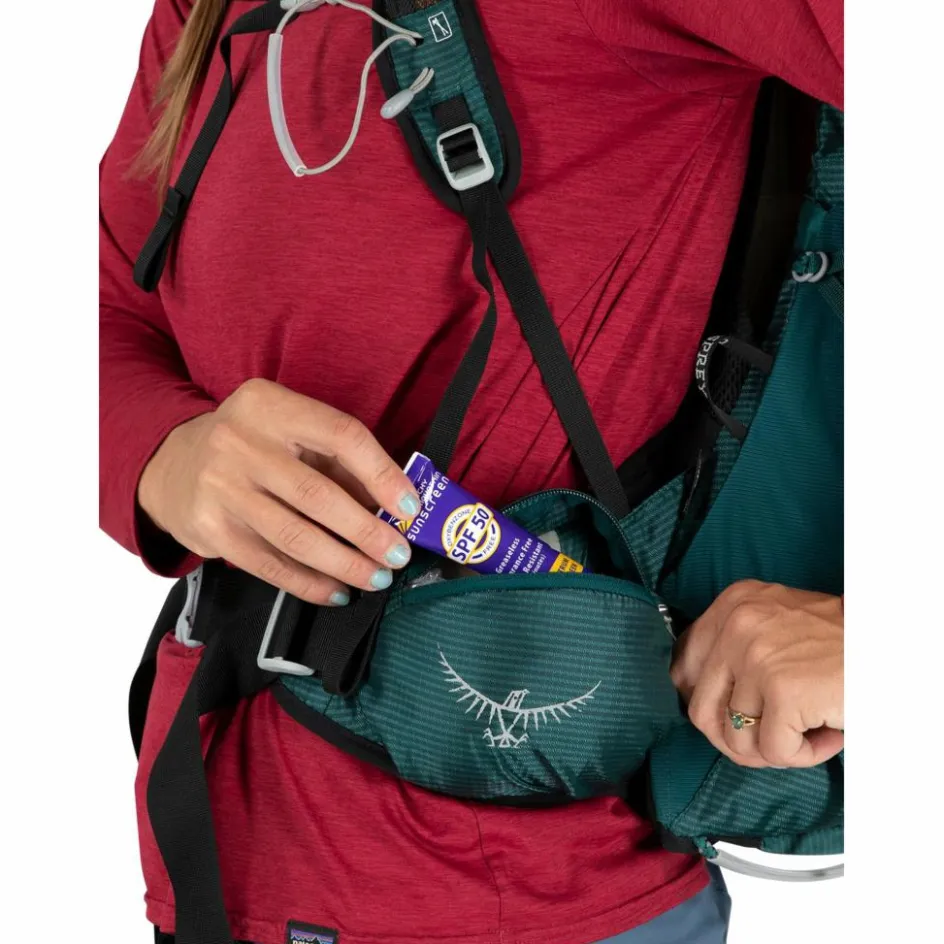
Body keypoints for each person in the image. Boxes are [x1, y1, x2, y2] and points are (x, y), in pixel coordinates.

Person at [99, 1, 844, 941]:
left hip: (546, 889)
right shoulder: (202, 12)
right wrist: (163, 452)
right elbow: (104, 310)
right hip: (219, 856)